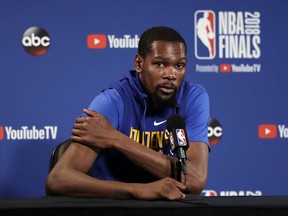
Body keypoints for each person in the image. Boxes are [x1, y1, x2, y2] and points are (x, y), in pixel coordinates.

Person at [46, 26, 210, 201]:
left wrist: (115, 139)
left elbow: (195, 181)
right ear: (139, 64)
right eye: (160, 64)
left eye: (179, 66)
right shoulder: (112, 101)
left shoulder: (193, 98)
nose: (170, 74)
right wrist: (137, 190)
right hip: (113, 206)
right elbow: (58, 180)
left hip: (168, 207)